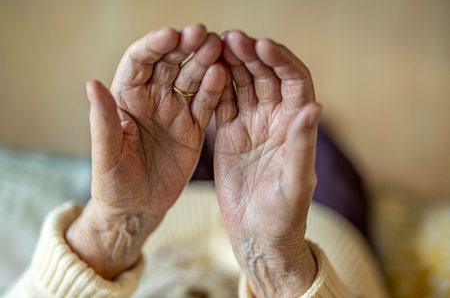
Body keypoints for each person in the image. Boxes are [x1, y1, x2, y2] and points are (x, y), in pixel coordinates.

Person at [5, 24, 387, 297]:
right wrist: (275, 263)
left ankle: (209, 133)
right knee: (304, 141)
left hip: (157, 224)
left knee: (167, 131)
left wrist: (114, 228)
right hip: (320, 236)